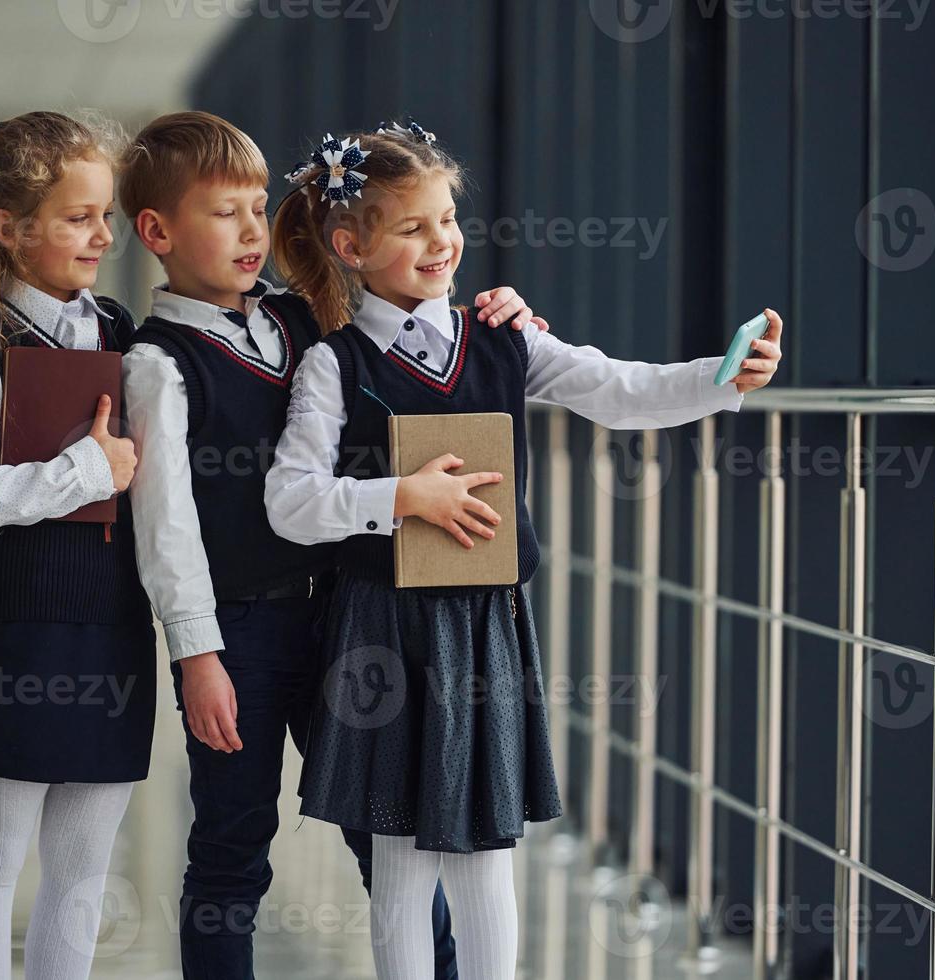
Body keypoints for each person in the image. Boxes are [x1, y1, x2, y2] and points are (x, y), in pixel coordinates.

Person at [264, 119, 783, 979]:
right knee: (399, 860)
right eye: (412, 227)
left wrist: (720, 378)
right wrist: (404, 497)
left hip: (483, 625)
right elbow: (290, 501)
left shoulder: (505, 339)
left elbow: (618, 390)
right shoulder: (335, 364)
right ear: (351, 247)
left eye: (446, 219)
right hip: (383, 628)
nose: (442, 241)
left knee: (485, 855)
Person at [117, 109, 545, 980]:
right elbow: (166, 528)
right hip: (239, 638)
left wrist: (500, 312)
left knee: (391, 827)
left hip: (350, 623)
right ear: (158, 232)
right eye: (220, 211)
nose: (248, 230)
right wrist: (198, 655)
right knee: (233, 847)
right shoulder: (157, 363)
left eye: (253, 207)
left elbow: (408, 339)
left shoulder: (303, 324)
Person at [0, 110, 154, 980]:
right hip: (21, 630)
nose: (102, 233)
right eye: (80, 216)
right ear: (9, 230)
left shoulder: (123, 331)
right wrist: (89, 468)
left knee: (84, 867)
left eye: (106, 214)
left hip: (116, 627)